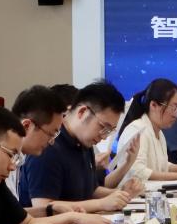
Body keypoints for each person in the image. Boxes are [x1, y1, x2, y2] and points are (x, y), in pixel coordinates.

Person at [20, 81, 140, 212]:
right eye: (103, 127)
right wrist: (100, 204)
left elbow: (90, 191)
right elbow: (42, 206)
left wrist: (120, 194)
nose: (104, 137)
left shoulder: (84, 142)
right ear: (82, 112)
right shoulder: (48, 145)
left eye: (110, 131)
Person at [8, 86, 113, 224]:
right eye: (51, 134)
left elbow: (15, 218)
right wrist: (71, 217)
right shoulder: (6, 162)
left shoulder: (16, 159)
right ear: (27, 126)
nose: (52, 141)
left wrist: (51, 210)